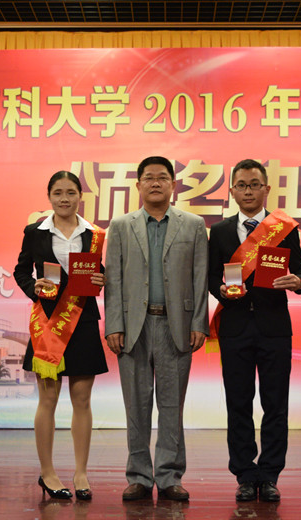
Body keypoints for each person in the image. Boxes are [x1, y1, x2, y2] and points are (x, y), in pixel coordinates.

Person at [104, 156, 209, 502]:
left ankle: (169, 476)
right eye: (148, 178)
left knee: (171, 405)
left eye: (162, 177)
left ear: (173, 185)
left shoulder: (193, 225)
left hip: (176, 325)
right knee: (136, 406)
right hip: (133, 327)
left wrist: (199, 322)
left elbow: (200, 277)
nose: (155, 183)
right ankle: (138, 476)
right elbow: (113, 279)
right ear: (138, 185)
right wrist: (114, 324)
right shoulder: (121, 226)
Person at [207, 158, 301, 502]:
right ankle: (244, 475)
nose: (248, 191)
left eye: (254, 185)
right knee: (238, 404)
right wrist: (220, 290)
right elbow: (211, 276)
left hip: (274, 327)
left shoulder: (283, 228)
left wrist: (298, 282)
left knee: (275, 404)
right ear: (232, 191)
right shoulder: (220, 232)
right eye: (241, 185)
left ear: (266, 189)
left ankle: (269, 475)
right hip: (235, 327)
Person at [14, 170, 108, 501]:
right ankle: (48, 473)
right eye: (58, 193)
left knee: (82, 400)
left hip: (83, 320)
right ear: (49, 196)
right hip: (48, 322)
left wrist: (101, 278)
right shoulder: (35, 232)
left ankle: (81, 473)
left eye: (70, 193)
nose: (64, 199)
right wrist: (33, 287)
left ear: (80, 196)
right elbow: (21, 270)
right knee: (48, 400)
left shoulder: (94, 234)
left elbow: (97, 269)